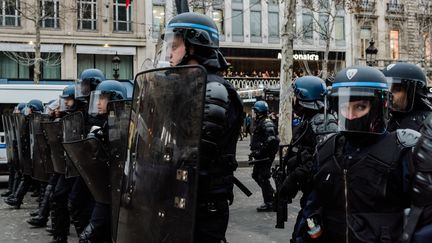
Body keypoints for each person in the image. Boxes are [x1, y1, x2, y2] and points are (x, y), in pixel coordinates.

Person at [296, 66, 429, 243]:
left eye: (360, 106)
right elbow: (311, 209)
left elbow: (424, 218)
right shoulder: (327, 149)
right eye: (345, 107)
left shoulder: (403, 149)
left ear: (378, 106)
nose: (350, 115)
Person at [162, 12, 243, 242]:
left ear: (194, 46)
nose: (169, 52)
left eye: (174, 45)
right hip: (183, 197)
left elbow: (196, 156)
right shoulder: (189, 87)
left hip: (204, 203)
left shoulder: (213, 91)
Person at [277, 76, 337, 241]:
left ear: (304, 98)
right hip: (311, 194)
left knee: (305, 235)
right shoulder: (310, 120)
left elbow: (321, 162)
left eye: (296, 97)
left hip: (318, 197)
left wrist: (294, 177)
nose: (294, 101)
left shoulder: (322, 123)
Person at [78, 80, 127, 243]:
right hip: (106, 188)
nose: (98, 103)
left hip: (118, 190)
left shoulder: (126, 123)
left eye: (103, 98)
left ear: (114, 99)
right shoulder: (107, 122)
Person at [4, 99, 44, 209]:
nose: (27, 111)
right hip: (29, 156)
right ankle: (17, 199)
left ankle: (20, 200)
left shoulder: (37, 121)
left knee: (38, 182)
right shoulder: (28, 121)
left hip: (36, 157)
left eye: (29, 108)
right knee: (26, 178)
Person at [382, 62, 432, 131]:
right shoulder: (386, 119)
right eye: (388, 88)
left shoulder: (427, 126)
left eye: (397, 89)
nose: (390, 94)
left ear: (414, 93)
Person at [249, 100, 280, 212]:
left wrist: (260, 152)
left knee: (262, 177)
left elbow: (272, 140)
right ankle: (272, 195)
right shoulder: (262, 122)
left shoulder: (267, 122)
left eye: (255, 111)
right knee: (256, 175)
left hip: (264, 157)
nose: (253, 113)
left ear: (259, 112)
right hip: (261, 156)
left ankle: (270, 202)